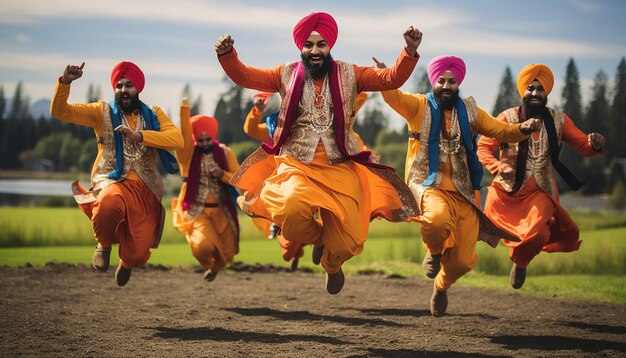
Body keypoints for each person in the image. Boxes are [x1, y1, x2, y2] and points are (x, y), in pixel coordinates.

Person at [215, 12, 422, 294]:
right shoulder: (284, 73)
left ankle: (332, 263)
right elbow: (245, 75)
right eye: (309, 45)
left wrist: (408, 52)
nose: (315, 51)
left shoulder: (351, 73)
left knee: (349, 242)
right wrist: (228, 55)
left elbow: (390, 79)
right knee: (289, 207)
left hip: (341, 165)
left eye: (321, 44)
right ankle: (319, 239)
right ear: (301, 47)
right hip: (297, 163)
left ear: (330, 47)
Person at [378, 55, 541, 316]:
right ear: (434, 82)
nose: (446, 86)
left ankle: (441, 287)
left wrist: (523, 127)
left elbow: (501, 131)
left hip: (464, 192)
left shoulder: (471, 111)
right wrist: (387, 75)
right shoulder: (418, 106)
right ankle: (433, 251)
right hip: (427, 184)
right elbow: (393, 97)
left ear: (458, 84)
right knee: (437, 220)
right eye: (441, 81)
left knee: (465, 262)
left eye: (452, 81)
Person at [50, 61, 183, 286]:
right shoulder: (100, 112)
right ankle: (103, 244)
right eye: (119, 85)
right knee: (109, 202)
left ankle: (128, 262)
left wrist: (140, 135)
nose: (123, 90)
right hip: (112, 180)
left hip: (146, 189)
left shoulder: (154, 115)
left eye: (129, 85)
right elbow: (60, 111)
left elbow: (177, 139)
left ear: (138, 89)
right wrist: (64, 83)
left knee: (138, 254)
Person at [477, 64, 605, 289]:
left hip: (541, 192)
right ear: (522, 92)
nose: (535, 93)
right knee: (480, 227)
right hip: (507, 190)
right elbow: (483, 147)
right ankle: (442, 255)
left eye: (540, 89)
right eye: (530, 88)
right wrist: (497, 166)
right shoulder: (506, 117)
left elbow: (583, 144)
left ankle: (521, 261)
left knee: (537, 235)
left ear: (546, 93)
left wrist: (592, 143)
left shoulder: (559, 120)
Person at [243, 91, 378, 272]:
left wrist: (351, 85)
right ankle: (301, 248)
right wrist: (257, 111)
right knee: (290, 244)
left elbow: (357, 145)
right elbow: (251, 130)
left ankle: (328, 256)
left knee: (338, 227)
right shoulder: (278, 126)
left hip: (331, 182)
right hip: (292, 181)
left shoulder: (337, 128)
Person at [171, 99, 241, 282]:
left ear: (213, 137)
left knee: (229, 252)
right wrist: (184, 110)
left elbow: (238, 178)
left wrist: (221, 174)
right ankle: (209, 264)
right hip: (198, 211)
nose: (203, 143)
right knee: (202, 247)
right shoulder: (188, 155)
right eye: (200, 140)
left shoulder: (225, 152)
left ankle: (216, 267)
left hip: (222, 210)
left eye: (207, 139)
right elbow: (185, 134)